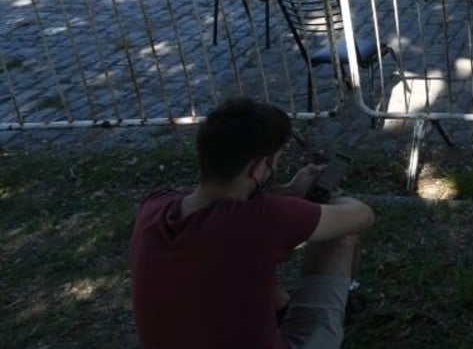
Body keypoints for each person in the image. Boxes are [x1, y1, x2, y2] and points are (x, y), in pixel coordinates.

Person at [129, 97, 376, 349]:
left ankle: (282, 311)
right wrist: (330, 198)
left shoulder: (154, 206)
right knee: (341, 234)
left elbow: (218, 203)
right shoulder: (263, 218)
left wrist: (289, 192)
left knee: (230, 263)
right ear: (258, 168)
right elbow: (362, 215)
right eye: (275, 160)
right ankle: (342, 301)